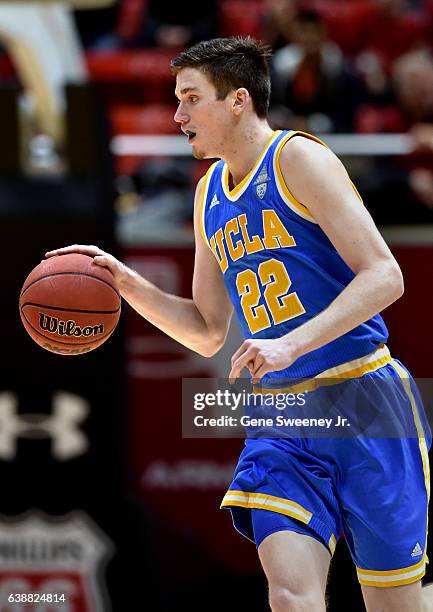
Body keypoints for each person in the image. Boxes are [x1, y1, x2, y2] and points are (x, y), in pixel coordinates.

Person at [46, 37, 432, 612]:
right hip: (280, 412)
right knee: (289, 595)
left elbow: (385, 275)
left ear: (237, 100)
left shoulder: (298, 158)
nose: (178, 115)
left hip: (365, 398)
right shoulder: (207, 196)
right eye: (176, 100)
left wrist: (291, 342)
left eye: (190, 98)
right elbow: (205, 329)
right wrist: (127, 285)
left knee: (394, 605)